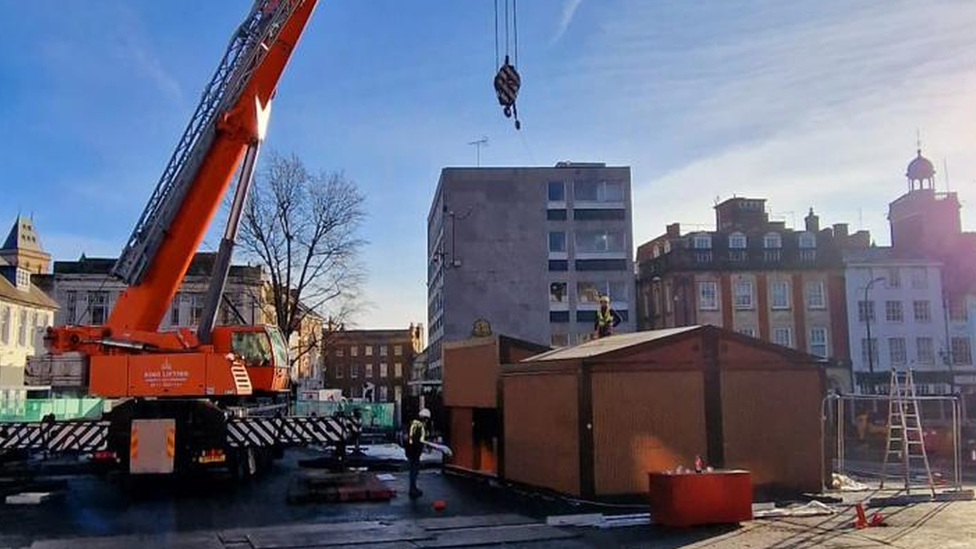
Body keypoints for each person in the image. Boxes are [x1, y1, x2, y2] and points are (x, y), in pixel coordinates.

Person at [405, 408, 431, 499]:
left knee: (414, 470)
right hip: (414, 451)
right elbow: (414, 439)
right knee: (414, 471)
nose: (427, 421)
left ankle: (413, 488)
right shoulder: (418, 425)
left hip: (412, 450)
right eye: (426, 419)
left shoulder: (415, 424)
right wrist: (418, 447)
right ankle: (413, 489)